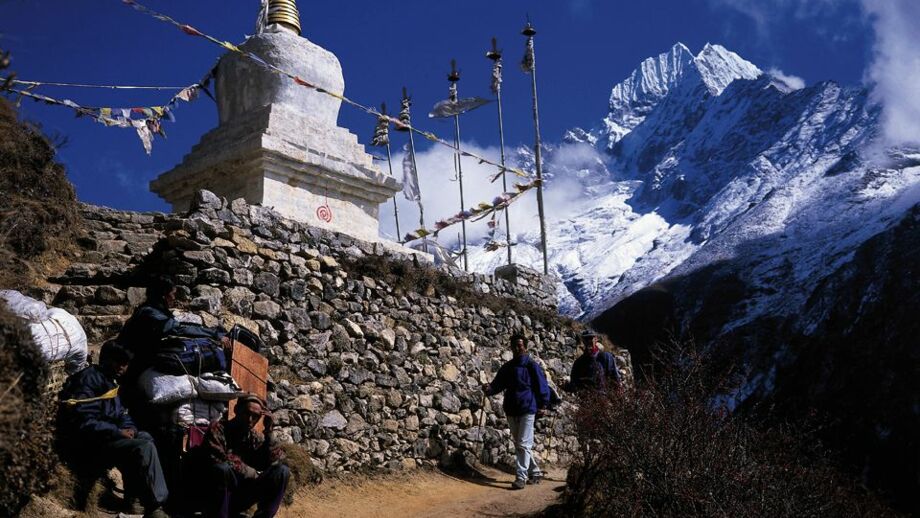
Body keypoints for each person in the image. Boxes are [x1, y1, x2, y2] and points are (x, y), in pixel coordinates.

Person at [57, 341, 169, 518]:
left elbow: (121, 413)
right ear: (106, 360)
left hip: (107, 437)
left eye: (125, 364)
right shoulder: (89, 380)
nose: (122, 367)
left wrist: (128, 428)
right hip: (91, 444)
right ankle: (155, 507)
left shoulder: (110, 382)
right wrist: (117, 432)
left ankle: (134, 498)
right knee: (142, 448)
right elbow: (84, 421)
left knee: (145, 437)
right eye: (119, 362)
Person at [200, 394, 289, 518]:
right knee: (222, 469)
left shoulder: (254, 437)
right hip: (215, 495)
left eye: (255, 416)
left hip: (240, 496)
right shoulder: (218, 428)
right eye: (247, 413)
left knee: (282, 471)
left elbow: (277, 460)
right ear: (236, 410)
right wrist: (251, 473)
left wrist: (268, 432)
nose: (250, 419)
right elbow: (220, 458)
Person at [483, 334, 551, 489]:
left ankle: (521, 477)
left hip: (528, 408)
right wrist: (489, 389)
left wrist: (543, 405)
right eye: (514, 345)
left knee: (523, 444)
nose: (517, 348)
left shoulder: (532, 366)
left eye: (519, 345)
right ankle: (535, 471)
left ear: (525, 346)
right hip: (511, 408)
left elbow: (542, 387)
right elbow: (497, 385)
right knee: (521, 444)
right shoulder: (507, 367)